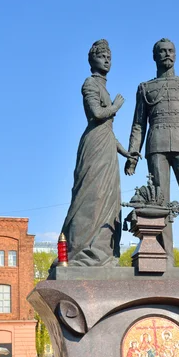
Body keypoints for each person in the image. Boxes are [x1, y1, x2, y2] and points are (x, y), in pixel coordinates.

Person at [125, 38, 179, 267]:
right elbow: (138, 125)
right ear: (155, 57)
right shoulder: (145, 88)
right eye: (162, 51)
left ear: (175, 55)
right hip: (156, 147)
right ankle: (165, 257)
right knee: (159, 205)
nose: (167, 54)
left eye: (170, 51)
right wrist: (133, 155)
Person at [60, 39, 139, 266]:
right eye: (101, 55)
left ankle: (103, 253)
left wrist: (126, 153)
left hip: (107, 146)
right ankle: (80, 252)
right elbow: (96, 113)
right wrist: (115, 107)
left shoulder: (103, 86)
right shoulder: (90, 84)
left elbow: (109, 132)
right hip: (94, 146)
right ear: (91, 59)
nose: (106, 59)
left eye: (109, 57)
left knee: (109, 199)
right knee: (91, 197)